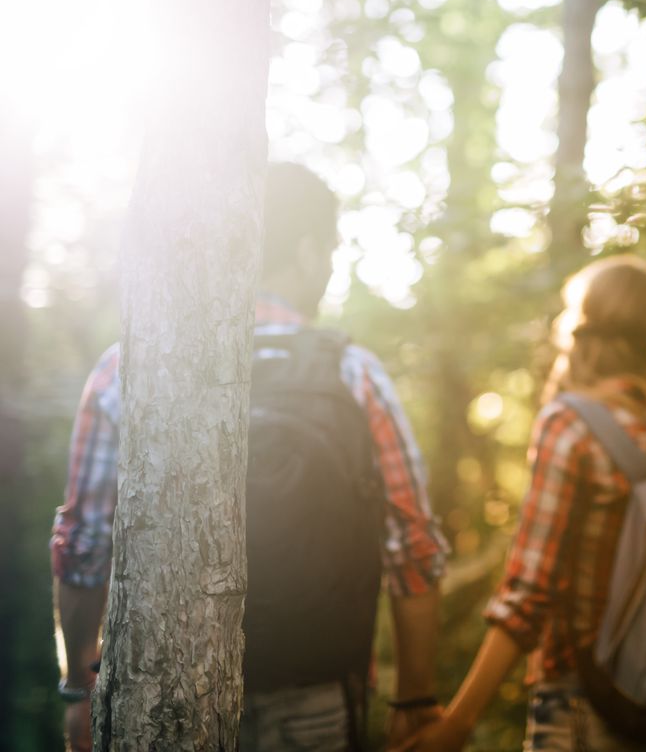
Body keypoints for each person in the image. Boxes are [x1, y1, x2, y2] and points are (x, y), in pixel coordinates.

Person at [50, 162, 449, 752]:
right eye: (332, 250)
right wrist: (416, 700)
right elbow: (413, 548)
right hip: (316, 692)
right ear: (310, 249)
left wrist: (82, 687)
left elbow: (84, 545)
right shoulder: (353, 374)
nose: (332, 266)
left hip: (163, 693)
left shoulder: (128, 365)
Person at [396, 256, 646, 752]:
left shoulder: (572, 424)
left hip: (584, 699)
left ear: (581, 324)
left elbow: (529, 593)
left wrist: (458, 722)